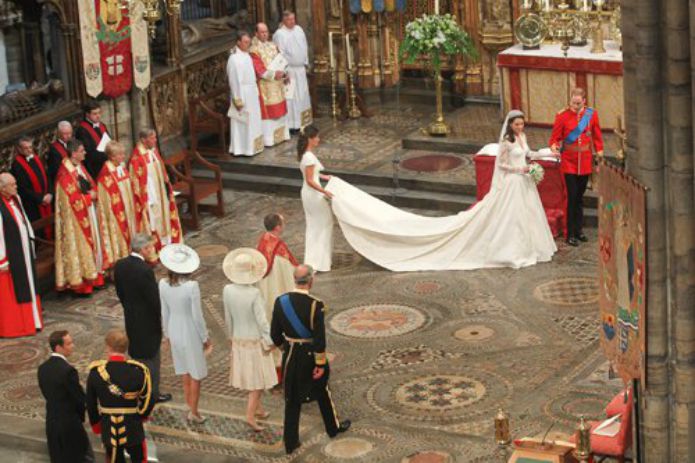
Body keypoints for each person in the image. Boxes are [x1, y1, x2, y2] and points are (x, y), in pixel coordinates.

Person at [323, 110, 557, 271]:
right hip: (513, 182)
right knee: (509, 220)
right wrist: (521, 169)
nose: (520, 127)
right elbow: (503, 165)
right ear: (510, 125)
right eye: (517, 124)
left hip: (523, 183)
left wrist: (545, 154)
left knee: (524, 218)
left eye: (522, 124)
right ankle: (510, 252)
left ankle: (530, 248)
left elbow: (528, 153)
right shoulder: (506, 143)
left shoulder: (522, 137)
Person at [270, 264, 350, 454]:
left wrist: (287, 347)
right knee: (322, 391)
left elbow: (274, 335)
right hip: (310, 356)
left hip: (290, 355)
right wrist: (320, 364)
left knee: (291, 398)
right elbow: (320, 339)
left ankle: (290, 442)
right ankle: (332, 428)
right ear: (311, 281)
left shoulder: (280, 302)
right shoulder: (316, 305)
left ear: (294, 280)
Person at [222, 248, 277, 432]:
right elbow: (262, 321)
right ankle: (250, 416)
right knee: (257, 381)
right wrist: (271, 340)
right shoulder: (253, 294)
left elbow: (227, 317)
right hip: (254, 341)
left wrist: (230, 337)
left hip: (238, 338)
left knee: (250, 376)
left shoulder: (227, 290)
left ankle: (259, 409)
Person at [114, 233, 172, 404]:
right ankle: (152, 394)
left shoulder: (120, 265)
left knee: (137, 356)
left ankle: (138, 389)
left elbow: (120, 293)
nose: (152, 250)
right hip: (147, 321)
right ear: (144, 249)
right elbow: (153, 299)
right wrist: (162, 317)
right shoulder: (145, 270)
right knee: (152, 358)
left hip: (131, 317)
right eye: (151, 247)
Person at [159, 243, 210, 423]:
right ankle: (194, 412)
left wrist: (167, 335)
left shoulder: (163, 284)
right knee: (196, 373)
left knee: (184, 372)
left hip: (174, 328)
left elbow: (164, 311)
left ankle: (190, 406)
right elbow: (197, 315)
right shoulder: (191, 286)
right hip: (189, 330)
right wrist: (205, 337)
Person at [86, 329, 155, 463]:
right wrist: (141, 415)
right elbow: (148, 398)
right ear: (126, 348)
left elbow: (90, 403)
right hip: (133, 426)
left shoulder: (96, 373)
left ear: (108, 347)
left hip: (108, 426)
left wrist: (96, 424)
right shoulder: (139, 372)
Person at [549, 87, 604, 246]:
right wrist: (555, 149)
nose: (575, 106)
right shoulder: (562, 116)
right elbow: (554, 139)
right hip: (568, 162)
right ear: (570, 100)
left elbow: (597, 136)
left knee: (579, 198)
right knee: (571, 198)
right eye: (573, 102)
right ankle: (569, 233)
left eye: (578, 103)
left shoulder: (591, 114)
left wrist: (599, 155)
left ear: (584, 101)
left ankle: (579, 231)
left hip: (585, 162)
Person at [54, 140, 105, 295]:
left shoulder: (79, 167)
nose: (85, 153)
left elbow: (89, 183)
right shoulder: (64, 174)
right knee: (81, 248)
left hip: (87, 213)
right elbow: (71, 200)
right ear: (74, 153)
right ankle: (84, 283)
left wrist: (93, 192)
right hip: (75, 220)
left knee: (93, 243)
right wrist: (90, 198)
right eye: (82, 151)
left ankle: (95, 276)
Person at [37, 330, 94, 463]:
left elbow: (46, 393)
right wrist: (80, 417)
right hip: (70, 425)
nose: (72, 346)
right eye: (69, 344)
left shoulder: (42, 368)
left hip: (51, 422)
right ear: (58, 347)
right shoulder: (68, 371)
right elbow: (79, 399)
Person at [0, 173, 43, 337]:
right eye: (12, 184)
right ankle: (20, 326)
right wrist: (2, 258)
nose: (16, 187)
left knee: (29, 284)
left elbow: (24, 220)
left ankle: (34, 320)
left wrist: (31, 243)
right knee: (18, 288)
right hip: (11, 254)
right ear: (3, 188)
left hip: (24, 250)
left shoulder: (16, 199)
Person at [257, 213, 298, 381]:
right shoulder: (279, 248)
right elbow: (290, 271)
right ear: (278, 227)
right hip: (278, 291)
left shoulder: (263, 240)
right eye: (283, 222)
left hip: (265, 292)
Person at [130, 129, 183, 251]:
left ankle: (167, 241)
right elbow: (138, 182)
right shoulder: (137, 159)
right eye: (152, 138)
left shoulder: (153, 151)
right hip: (150, 196)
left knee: (164, 215)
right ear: (143, 140)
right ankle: (158, 244)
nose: (155, 140)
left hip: (160, 192)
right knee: (155, 218)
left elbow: (161, 169)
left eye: (155, 137)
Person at [97, 141, 138, 272]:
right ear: (112, 156)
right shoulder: (106, 173)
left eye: (123, 153)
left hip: (128, 210)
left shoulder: (121, 167)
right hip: (115, 213)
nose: (123, 156)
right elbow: (104, 197)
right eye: (120, 154)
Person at [297, 125, 333, 272]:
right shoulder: (309, 157)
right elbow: (310, 180)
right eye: (316, 137)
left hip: (309, 193)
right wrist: (324, 191)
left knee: (315, 225)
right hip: (313, 194)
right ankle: (318, 261)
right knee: (323, 224)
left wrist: (325, 177)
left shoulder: (305, 154)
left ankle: (315, 260)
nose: (318, 139)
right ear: (310, 139)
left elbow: (313, 174)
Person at [250, 22, 291, 147]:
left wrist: (285, 73)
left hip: (278, 85)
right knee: (270, 113)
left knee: (281, 110)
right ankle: (269, 139)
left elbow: (282, 62)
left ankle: (282, 135)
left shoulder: (273, 45)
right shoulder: (254, 50)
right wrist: (274, 75)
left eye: (266, 31)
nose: (264, 34)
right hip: (266, 87)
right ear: (256, 33)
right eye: (262, 32)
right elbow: (259, 70)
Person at [273, 11, 312, 132]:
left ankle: (304, 122)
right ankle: (292, 125)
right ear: (284, 20)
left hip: (300, 69)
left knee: (303, 96)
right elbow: (280, 54)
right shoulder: (279, 34)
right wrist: (284, 71)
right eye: (289, 19)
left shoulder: (299, 29)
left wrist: (305, 63)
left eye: (293, 19)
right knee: (292, 98)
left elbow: (305, 46)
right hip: (290, 70)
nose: (293, 21)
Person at [227, 31, 264, 156]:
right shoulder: (234, 59)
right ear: (238, 42)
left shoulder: (247, 55)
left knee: (253, 120)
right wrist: (238, 99)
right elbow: (234, 81)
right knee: (243, 121)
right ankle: (242, 148)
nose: (248, 44)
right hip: (242, 94)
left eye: (249, 42)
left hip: (251, 92)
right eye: (245, 42)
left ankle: (254, 146)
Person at [10, 136, 52, 237]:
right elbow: (23, 189)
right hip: (33, 205)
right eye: (26, 148)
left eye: (30, 147)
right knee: (40, 232)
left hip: (47, 199)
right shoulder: (17, 165)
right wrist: (41, 198)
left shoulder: (37, 158)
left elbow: (47, 176)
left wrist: (50, 193)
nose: (29, 150)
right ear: (19, 149)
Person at [75, 100, 110, 179]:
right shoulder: (82, 130)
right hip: (94, 168)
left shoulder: (102, 125)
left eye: (99, 113)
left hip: (106, 162)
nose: (98, 116)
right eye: (95, 114)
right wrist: (108, 155)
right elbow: (88, 153)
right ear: (87, 114)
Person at [47, 121, 73, 186]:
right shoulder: (54, 149)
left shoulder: (73, 142)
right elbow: (56, 170)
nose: (69, 136)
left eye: (70, 133)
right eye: (66, 134)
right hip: (64, 181)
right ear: (59, 134)